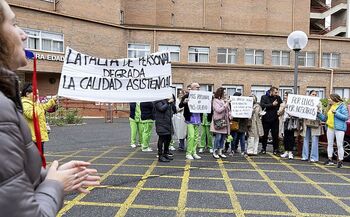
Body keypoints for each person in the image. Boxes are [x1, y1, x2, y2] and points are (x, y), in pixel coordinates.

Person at [0, 1, 100, 215]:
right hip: (36, 136)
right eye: (14, 23)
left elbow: (10, 178)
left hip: (40, 134)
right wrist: (55, 185)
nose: (24, 34)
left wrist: (48, 176)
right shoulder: (7, 108)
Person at [21, 83, 56, 154]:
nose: (37, 96)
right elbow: (31, 114)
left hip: (38, 137)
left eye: (37, 94)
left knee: (39, 158)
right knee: (36, 159)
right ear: (27, 94)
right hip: (33, 139)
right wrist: (37, 103)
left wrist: (52, 100)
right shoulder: (25, 103)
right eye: (35, 93)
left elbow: (43, 107)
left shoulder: (34, 103)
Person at [318, 93, 348, 168]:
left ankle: (340, 161)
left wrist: (336, 113)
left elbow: (346, 117)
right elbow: (325, 119)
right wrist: (318, 114)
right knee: (330, 144)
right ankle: (330, 159)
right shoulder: (330, 107)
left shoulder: (342, 106)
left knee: (339, 145)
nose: (328, 100)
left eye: (330, 98)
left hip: (339, 128)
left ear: (334, 99)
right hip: (330, 128)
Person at [179, 82, 202, 160]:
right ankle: (188, 153)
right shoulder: (186, 96)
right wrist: (184, 102)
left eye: (199, 87)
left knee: (196, 137)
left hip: (198, 118)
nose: (198, 88)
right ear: (192, 88)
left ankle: (194, 152)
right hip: (190, 119)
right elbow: (180, 105)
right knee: (191, 136)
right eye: (197, 87)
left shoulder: (201, 96)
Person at [154, 95, 177, 162]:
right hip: (161, 123)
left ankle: (165, 153)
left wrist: (172, 103)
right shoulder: (158, 100)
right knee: (162, 138)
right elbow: (161, 109)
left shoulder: (168, 101)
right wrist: (168, 103)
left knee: (168, 138)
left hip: (168, 123)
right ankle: (160, 156)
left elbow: (174, 110)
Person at [260, 86, 283, 155]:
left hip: (275, 119)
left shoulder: (278, 98)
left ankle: (275, 149)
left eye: (277, 92)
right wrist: (272, 105)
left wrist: (280, 111)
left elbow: (281, 106)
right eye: (275, 92)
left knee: (275, 135)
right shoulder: (264, 97)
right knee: (265, 135)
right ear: (271, 91)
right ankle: (263, 148)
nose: (276, 93)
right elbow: (263, 105)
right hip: (266, 119)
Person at [301, 90, 322, 162]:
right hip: (306, 123)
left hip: (315, 124)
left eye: (315, 94)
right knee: (306, 139)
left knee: (314, 140)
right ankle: (305, 156)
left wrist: (317, 109)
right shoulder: (306, 102)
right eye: (313, 94)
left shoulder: (319, 103)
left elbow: (320, 113)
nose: (314, 95)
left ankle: (314, 157)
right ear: (309, 95)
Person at [210, 87, 231, 159]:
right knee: (218, 137)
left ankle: (220, 151)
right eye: (224, 93)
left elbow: (228, 110)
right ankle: (215, 151)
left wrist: (230, 115)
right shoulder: (215, 101)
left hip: (225, 121)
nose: (225, 94)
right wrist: (226, 103)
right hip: (219, 121)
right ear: (220, 93)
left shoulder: (224, 101)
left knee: (223, 138)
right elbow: (218, 110)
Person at [278, 92, 296, 159]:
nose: (285, 97)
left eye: (287, 96)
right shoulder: (282, 104)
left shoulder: (293, 104)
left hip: (291, 121)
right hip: (284, 122)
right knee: (285, 137)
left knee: (291, 137)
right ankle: (286, 151)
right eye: (285, 96)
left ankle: (290, 152)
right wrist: (284, 108)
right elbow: (279, 113)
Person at [231, 92, 249, 156]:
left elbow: (247, 113)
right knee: (234, 138)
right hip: (235, 123)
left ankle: (243, 151)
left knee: (242, 139)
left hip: (242, 124)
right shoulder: (232, 104)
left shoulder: (245, 104)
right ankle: (232, 150)